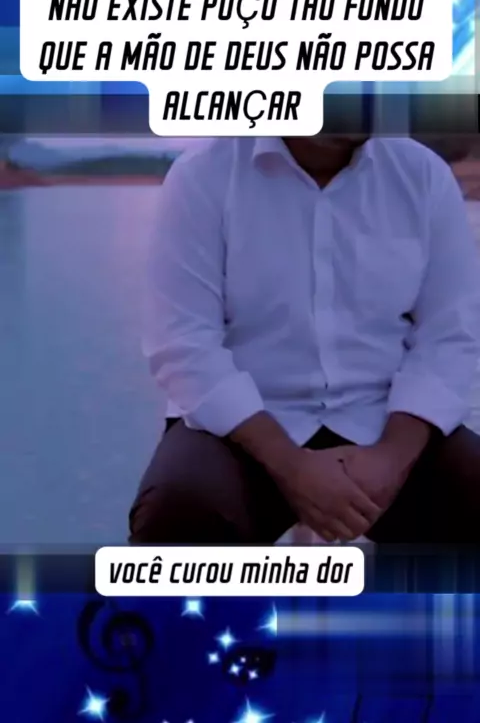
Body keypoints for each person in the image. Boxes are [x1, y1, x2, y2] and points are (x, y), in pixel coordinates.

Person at [129, 134, 480, 545]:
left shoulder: (422, 174)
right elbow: (183, 342)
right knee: (179, 513)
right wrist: (291, 466)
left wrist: (391, 459)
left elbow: (451, 333)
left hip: (385, 416)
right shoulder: (203, 174)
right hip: (242, 426)